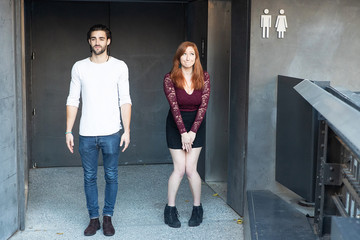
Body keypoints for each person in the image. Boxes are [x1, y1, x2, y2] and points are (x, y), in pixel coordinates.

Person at [65, 24, 132, 237]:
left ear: (108, 41)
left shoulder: (120, 66)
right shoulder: (79, 67)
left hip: (112, 132)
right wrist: (69, 130)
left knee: (111, 176)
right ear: (89, 41)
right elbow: (72, 100)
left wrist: (127, 130)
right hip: (86, 134)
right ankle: (93, 219)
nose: (97, 42)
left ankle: (108, 218)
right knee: (89, 178)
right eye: (93, 39)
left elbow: (125, 100)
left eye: (101, 38)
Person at [163, 41, 210, 228]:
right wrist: (183, 132)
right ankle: (170, 209)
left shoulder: (204, 77)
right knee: (179, 169)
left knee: (191, 169)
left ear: (196, 57)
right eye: (184, 54)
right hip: (175, 125)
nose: (188, 58)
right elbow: (174, 107)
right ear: (178, 57)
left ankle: (197, 208)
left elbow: (203, 106)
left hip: (196, 125)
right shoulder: (170, 78)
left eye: (192, 54)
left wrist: (192, 132)